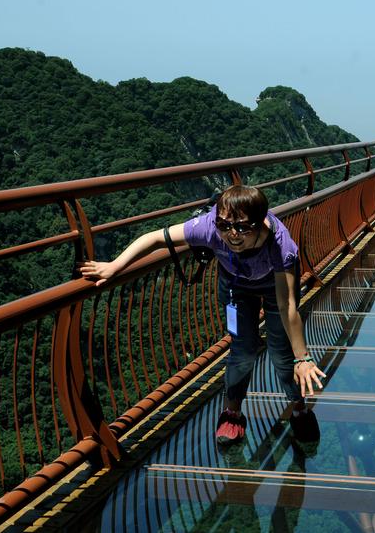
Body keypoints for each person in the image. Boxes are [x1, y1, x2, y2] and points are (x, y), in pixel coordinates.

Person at [79, 185, 326, 445]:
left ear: (260, 222)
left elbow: (287, 305)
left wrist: (304, 357)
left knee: (282, 352)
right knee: (243, 349)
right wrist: (114, 266)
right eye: (224, 224)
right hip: (236, 284)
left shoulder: (280, 245)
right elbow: (154, 238)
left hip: (273, 282)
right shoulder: (209, 227)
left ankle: (299, 407)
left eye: (242, 227)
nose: (232, 235)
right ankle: (232, 413)